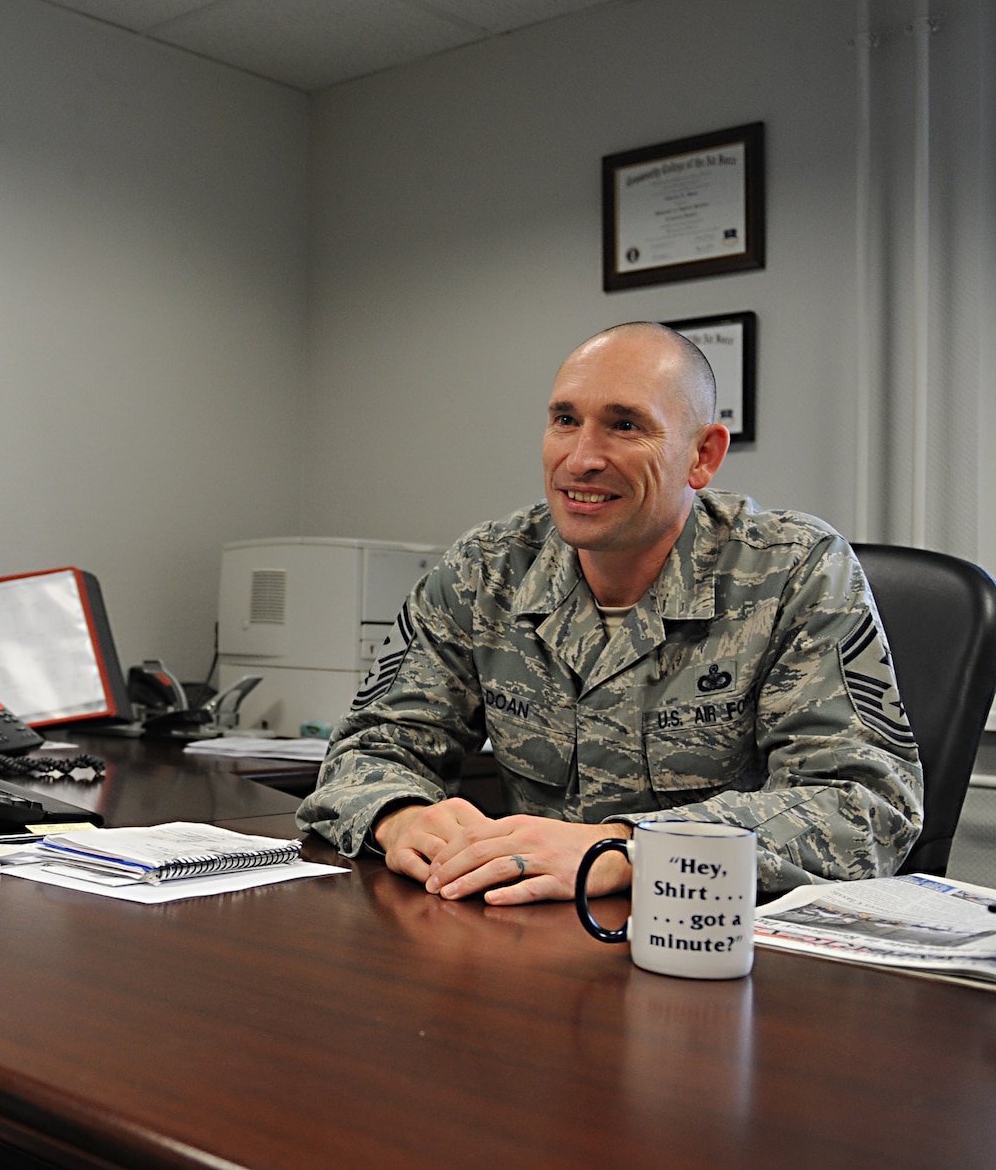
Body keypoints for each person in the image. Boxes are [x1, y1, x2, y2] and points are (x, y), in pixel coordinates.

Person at [297, 321, 923, 903]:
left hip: (713, 949)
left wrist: (629, 850)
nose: (581, 458)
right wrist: (401, 817)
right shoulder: (485, 570)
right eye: (565, 420)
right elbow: (369, 749)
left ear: (702, 456)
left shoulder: (793, 571)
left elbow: (862, 807)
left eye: (625, 426)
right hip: (524, 935)